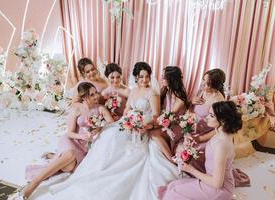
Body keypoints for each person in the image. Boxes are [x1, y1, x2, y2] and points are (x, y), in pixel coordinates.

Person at [44, 62, 179, 200]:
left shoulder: (152, 94)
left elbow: (156, 116)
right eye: (141, 77)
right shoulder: (133, 91)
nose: (144, 80)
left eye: (146, 76)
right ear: (136, 78)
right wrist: (127, 120)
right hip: (127, 123)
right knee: (107, 134)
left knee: (119, 141)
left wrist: (141, 124)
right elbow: (127, 110)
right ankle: (96, 170)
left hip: (142, 127)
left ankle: (110, 171)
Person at [9, 82, 114, 200]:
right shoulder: (77, 108)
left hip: (83, 148)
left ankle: (53, 156)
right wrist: (82, 137)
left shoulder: (100, 108)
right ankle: (32, 185)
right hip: (71, 141)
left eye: (96, 93)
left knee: (68, 168)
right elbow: (69, 132)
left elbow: (111, 124)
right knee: (69, 154)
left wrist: (99, 128)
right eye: (92, 95)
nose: (96, 97)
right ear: (84, 97)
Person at [158, 101, 243, 200]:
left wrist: (191, 170)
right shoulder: (220, 132)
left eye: (211, 115)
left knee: (172, 194)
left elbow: (217, 184)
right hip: (211, 181)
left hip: (219, 190)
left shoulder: (222, 145)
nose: (207, 117)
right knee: (173, 185)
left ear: (223, 121)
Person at [150, 66, 189, 161]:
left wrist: (152, 125)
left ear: (171, 79)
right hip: (167, 124)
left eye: (164, 77)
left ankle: (171, 159)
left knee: (153, 133)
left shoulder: (179, 96)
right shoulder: (165, 92)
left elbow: (170, 115)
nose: (161, 79)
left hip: (176, 127)